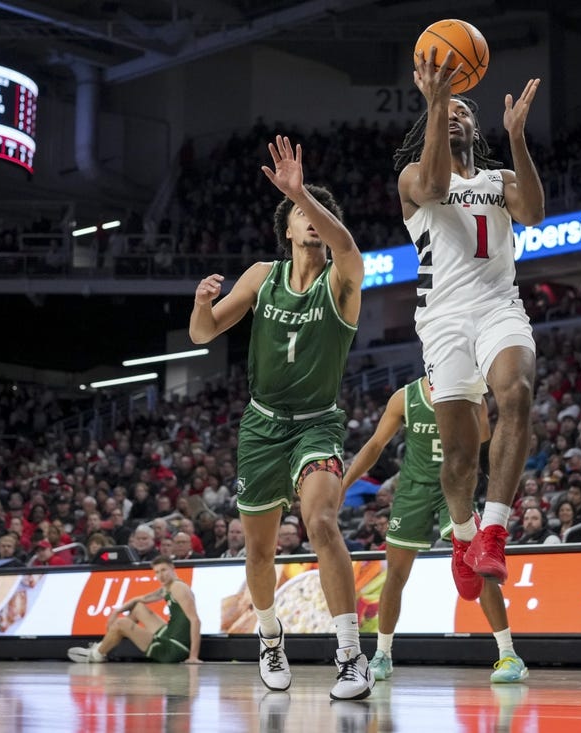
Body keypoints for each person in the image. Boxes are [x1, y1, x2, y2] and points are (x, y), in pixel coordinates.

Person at [189, 135, 373, 700]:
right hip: (262, 426)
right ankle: (269, 638)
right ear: (287, 230)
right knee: (260, 550)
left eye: (319, 214)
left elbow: (345, 243)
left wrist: (303, 191)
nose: (312, 221)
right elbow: (202, 333)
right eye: (300, 213)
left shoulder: (342, 280)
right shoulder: (260, 275)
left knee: (320, 523)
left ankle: (350, 654)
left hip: (317, 422)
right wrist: (200, 303)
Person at [393, 46, 544, 600]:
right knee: (458, 454)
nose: (456, 114)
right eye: (447, 109)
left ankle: (495, 532)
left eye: (463, 111)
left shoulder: (500, 178)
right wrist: (436, 103)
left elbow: (533, 213)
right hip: (443, 320)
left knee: (518, 392)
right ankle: (462, 536)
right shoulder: (413, 176)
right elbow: (434, 189)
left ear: (477, 131)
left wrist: (519, 138)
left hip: (499, 306)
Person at [341, 376, 528, 684]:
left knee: (480, 569)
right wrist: (344, 487)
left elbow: (483, 452)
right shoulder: (404, 398)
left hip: (454, 490)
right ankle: (382, 655)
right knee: (395, 576)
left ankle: (509, 654)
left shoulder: (471, 395)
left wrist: (494, 493)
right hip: (413, 491)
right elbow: (375, 445)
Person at [68, 556, 201, 665]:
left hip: (174, 648)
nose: (161, 575)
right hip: (170, 636)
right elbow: (140, 599)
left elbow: (195, 620)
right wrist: (116, 611)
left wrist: (193, 656)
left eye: (164, 570)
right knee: (138, 608)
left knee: (121, 623)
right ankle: (103, 646)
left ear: (172, 568)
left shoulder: (178, 587)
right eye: (157, 572)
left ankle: (96, 654)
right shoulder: (168, 587)